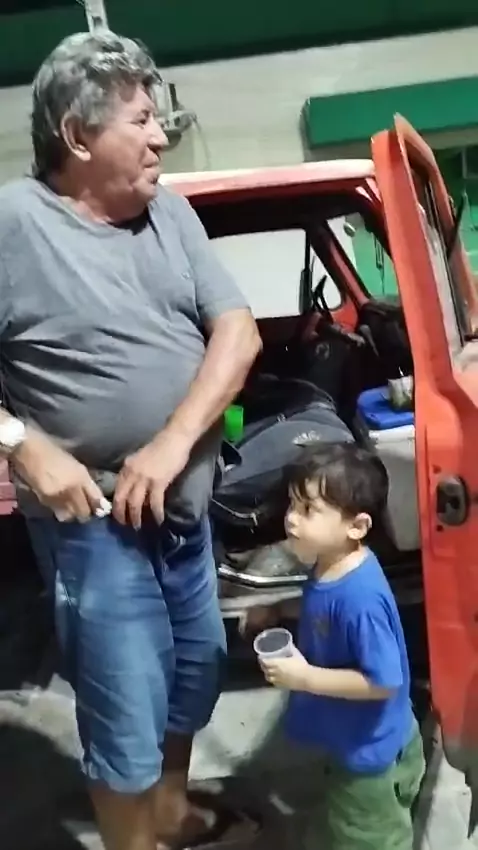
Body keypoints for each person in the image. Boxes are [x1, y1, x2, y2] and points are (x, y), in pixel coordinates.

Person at [0, 31, 261, 850]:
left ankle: (169, 813)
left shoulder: (169, 214)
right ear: (78, 136)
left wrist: (174, 442)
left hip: (183, 515)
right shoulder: (15, 223)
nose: (161, 139)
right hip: (96, 532)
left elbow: (239, 331)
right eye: (142, 121)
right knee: (124, 712)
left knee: (195, 673)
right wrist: (20, 441)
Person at [244, 443, 425, 850]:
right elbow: (324, 609)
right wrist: (280, 609)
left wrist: (304, 677)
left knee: (373, 838)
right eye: (293, 504)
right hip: (361, 740)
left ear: (356, 526)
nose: (291, 518)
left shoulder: (360, 599)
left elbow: (383, 682)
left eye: (309, 509)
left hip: (371, 757)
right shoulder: (332, 566)